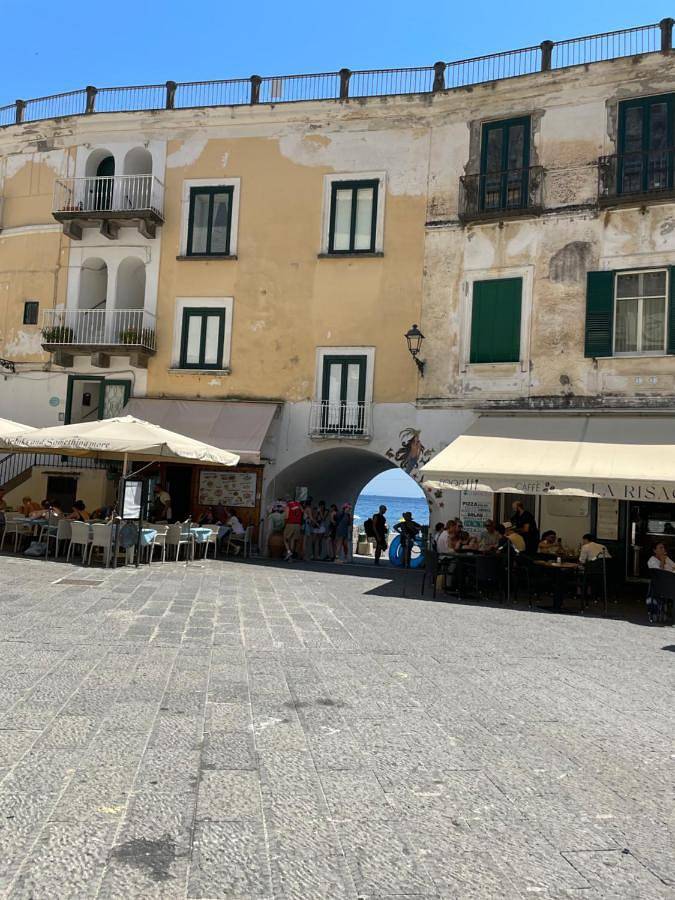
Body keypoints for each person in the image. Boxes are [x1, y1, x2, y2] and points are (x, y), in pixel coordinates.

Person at [284, 496, 303, 561]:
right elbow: (303, 512)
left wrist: (284, 523)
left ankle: (289, 552)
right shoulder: (299, 505)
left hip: (290, 524)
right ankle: (290, 557)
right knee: (292, 539)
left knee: (285, 539)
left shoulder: (288, 505)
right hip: (298, 525)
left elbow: (286, 516)